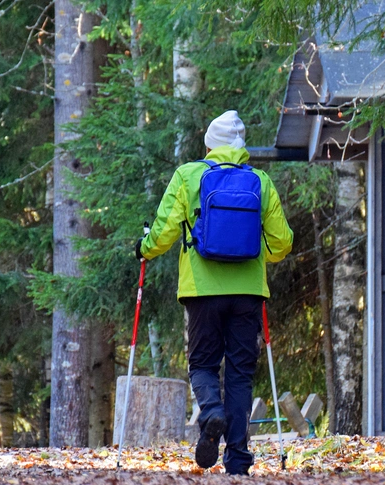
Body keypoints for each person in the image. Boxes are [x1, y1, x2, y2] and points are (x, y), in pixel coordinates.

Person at [135, 110, 293, 475]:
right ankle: (237, 460)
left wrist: (143, 248)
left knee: (203, 363)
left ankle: (211, 412)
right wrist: (258, 254)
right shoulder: (260, 180)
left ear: (209, 144)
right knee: (239, 374)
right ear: (240, 148)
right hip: (248, 292)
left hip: (202, 290)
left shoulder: (189, 176)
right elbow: (282, 243)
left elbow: (163, 232)